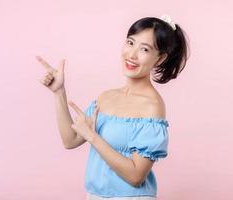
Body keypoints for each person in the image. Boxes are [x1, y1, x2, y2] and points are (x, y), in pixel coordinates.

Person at [37, 14, 189, 200]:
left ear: (159, 59)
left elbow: (136, 176)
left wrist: (93, 137)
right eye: (130, 43)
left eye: (145, 49)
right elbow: (71, 140)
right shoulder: (106, 97)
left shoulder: (152, 107)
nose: (132, 54)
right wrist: (59, 92)